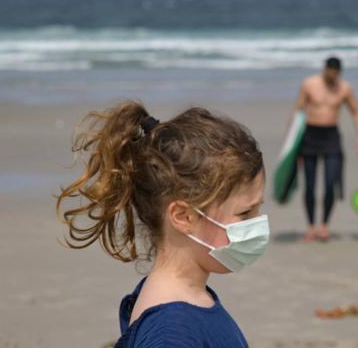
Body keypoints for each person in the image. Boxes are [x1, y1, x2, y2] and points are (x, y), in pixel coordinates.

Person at [56, 102, 268, 348]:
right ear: (183, 216)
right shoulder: (172, 332)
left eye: (258, 208)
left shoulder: (191, 299)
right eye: (244, 213)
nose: (258, 223)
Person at [291, 56, 358, 242]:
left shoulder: (344, 88)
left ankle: (324, 227)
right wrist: (292, 144)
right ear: (324, 69)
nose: (331, 75)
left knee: (331, 183)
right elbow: (298, 111)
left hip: (331, 137)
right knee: (310, 186)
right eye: (329, 71)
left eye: (335, 73)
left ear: (339, 72)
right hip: (309, 136)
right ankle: (310, 228)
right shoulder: (309, 84)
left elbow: (356, 112)